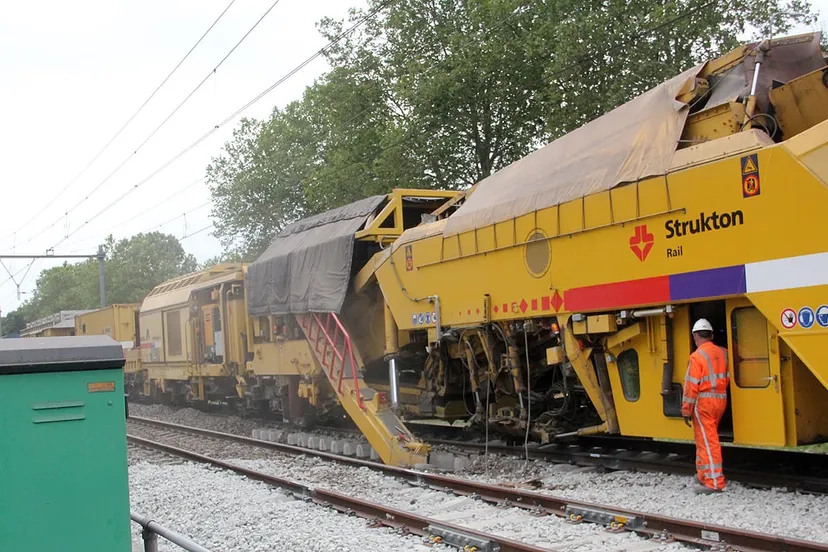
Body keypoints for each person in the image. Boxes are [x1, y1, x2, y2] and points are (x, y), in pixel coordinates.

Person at [681, 318, 729, 494]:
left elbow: (691, 386)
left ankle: (715, 482)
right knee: (704, 440)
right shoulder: (723, 353)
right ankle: (703, 474)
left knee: (708, 442)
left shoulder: (697, 357)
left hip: (704, 404)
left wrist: (686, 409)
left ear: (695, 336)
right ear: (712, 335)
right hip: (720, 400)